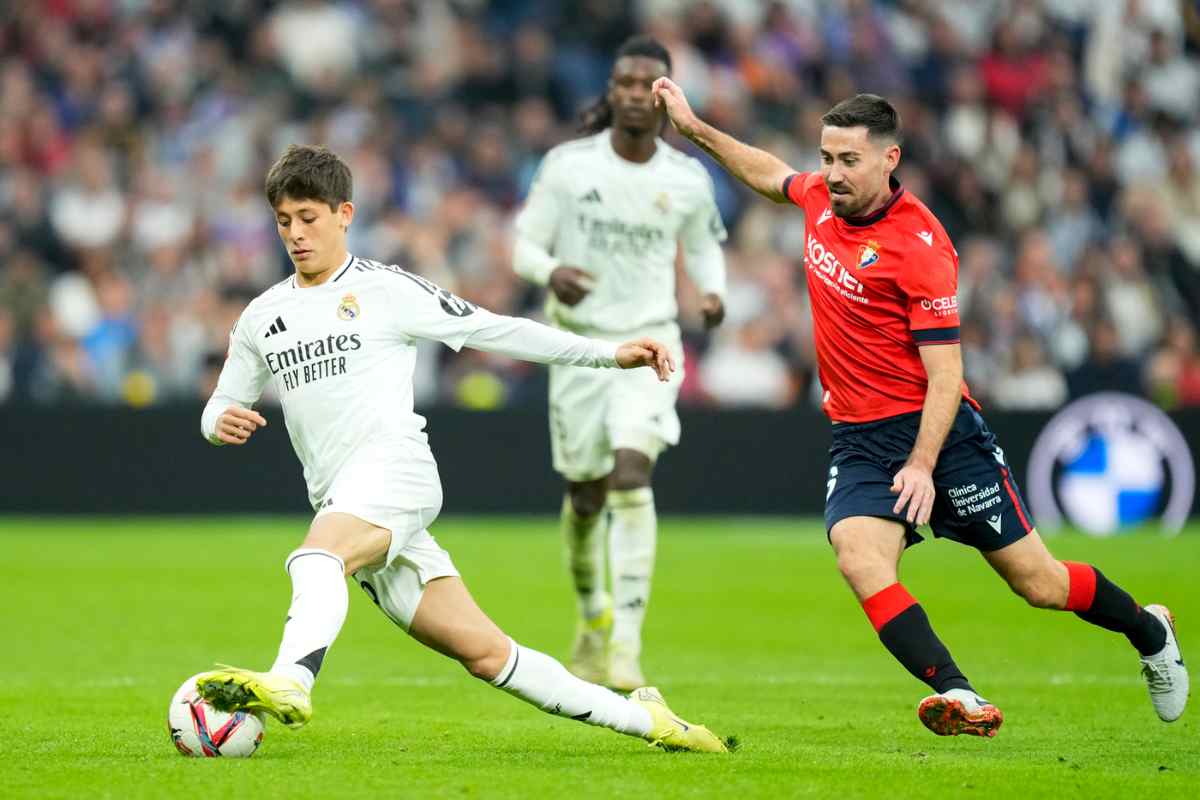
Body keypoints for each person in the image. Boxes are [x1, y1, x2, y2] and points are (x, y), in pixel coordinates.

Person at [651, 82, 1188, 737]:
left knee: (1040, 584)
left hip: (941, 437)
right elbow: (770, 173)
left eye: (849, 160)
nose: (832, 173)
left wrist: (923, 465)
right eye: (827, 157)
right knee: (859, 558)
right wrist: (694, 127)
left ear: (890, 159)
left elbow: (946, 375)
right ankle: (959, 694)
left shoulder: (920, 248)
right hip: (859, 438)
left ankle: (1148, 630)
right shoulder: (820, 197)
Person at [193, 144, 727, 753]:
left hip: (395, 471)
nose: (295, 234)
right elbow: (219, 402)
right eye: (284, 221)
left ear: (345, 213)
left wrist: (607, 352)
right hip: (345, 499)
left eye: (309, 217)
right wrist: (219, 422)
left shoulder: (386, 289)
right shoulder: (262, 316)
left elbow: (495, 328)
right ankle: (650, 721)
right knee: (487, 654)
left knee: (317, 559)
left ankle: (291, 680)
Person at [513, 35, 727, 690]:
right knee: (585, 495)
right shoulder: (569, 166)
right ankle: (592, 617)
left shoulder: (687, 179)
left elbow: (705, 247)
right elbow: (523, 243)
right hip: (580, 346)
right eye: (625, 83)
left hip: (651, 340)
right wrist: (552, 271)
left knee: (632, 472)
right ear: (611, 92)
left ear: (668, 95)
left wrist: (713, 292)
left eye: (649, 84)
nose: (635, 94)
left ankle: (627, 647)